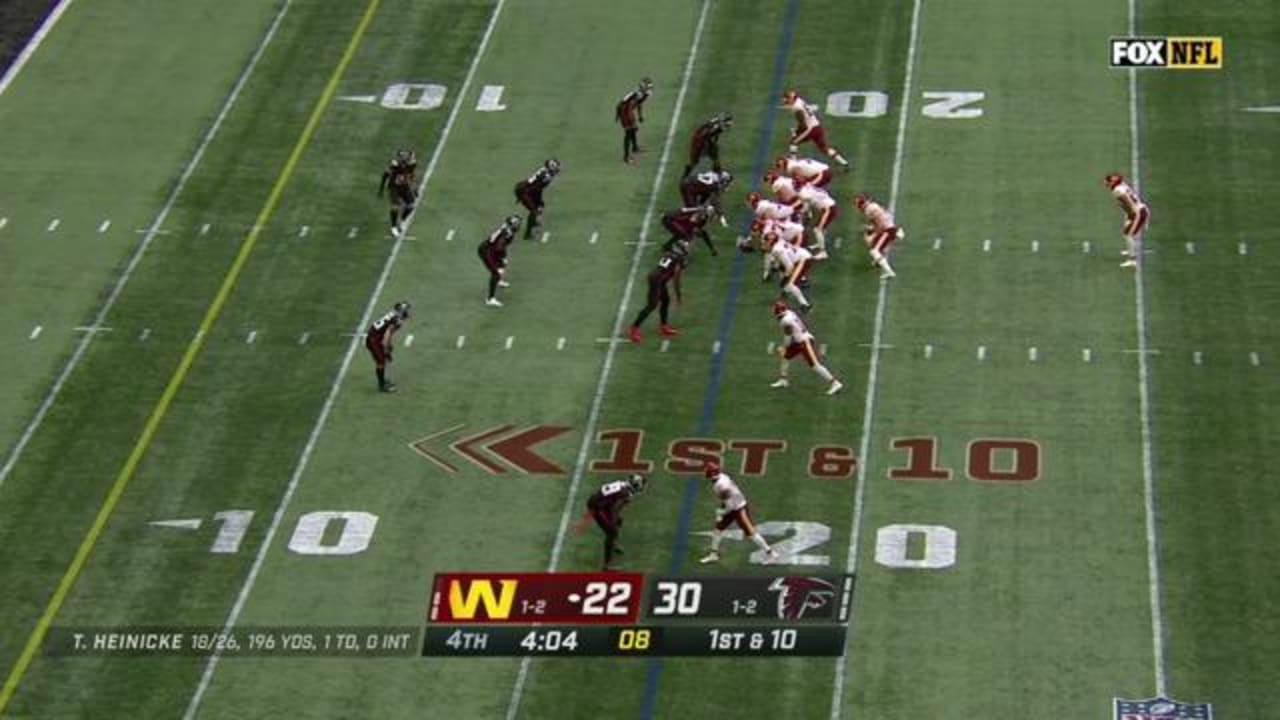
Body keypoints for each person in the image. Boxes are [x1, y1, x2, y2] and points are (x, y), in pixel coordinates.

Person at [699, 461, 779, 564]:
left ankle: (772, 554)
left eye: (708, 471)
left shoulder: (721, 485)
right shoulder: (722, 477)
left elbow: (730, 505)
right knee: (717, 530)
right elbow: (727, 500)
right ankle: (714, 554)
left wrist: (721, 512)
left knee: (751, 533)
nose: (705, 472)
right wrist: (722, 510)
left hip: (739, 509)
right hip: (733, 505)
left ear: (713, 473)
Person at [771, 299, 843, 395]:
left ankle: (835, 383)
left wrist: (784, 347)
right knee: (786, 357)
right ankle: (783, 380)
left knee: (815, 365)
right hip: (799, 340)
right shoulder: (789, 312)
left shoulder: (785, 320)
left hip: (805, 341)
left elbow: (788, 336)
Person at [578, 474, 647, 570]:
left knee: (617, 523)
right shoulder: (626, 493)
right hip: (597, 507)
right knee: (612, 532)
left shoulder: (622, 485)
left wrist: (616, 519)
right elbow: (615, 508)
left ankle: (613, 544)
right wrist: (613, 521)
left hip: (601, 502)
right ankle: (607, 565)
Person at [628, 243, 688, 344]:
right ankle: (634, 329)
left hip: (658, 279)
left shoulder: (670, 254)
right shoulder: (678, 260)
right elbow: (676, 281)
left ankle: (664, 326)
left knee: (665, 300)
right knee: (652, 305)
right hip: (657, 280)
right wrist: (679, 297)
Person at [781, 90, 849, 166]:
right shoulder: (799, 101)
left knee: (793, 142)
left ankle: (793, 163)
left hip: (810, 129)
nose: (785, 100)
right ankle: (844, 162)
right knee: (824, 148)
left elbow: (803, 124)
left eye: (787, 98)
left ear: (791, 99)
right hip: (817, 126)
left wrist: (796, 131)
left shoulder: (797, 108)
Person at [1105, 172, 1150, 268]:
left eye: (1108, 181)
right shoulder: (1121, 186)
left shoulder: (1118, 191)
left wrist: (1137, 221)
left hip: (1139, 213)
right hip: (1137, 212)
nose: (1106, 182)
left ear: (1113, 183)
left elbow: (1133, 207)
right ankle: (1131, 250)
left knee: (1129, 235)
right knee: (1126, 233)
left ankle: (1132, 260)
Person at [365, 301, 411, 393]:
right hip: (374, 340)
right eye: (405, 310)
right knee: (381, 362)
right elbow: (387, 334)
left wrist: (388, 346)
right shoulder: (397, 320)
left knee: (382, 360)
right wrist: (387, 349)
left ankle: (382, 381)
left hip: (374, 337)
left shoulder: (393, 314)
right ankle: (382, 386)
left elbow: (388, 332)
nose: (407, 312)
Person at [854, 192, 903, 279]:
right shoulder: (872, 206)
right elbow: (881, 219)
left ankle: (889, 272)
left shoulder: (868, 210)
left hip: (888, 230)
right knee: (873, 241)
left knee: (874, 251)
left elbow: (880, 226)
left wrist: (872, 233)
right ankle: (878, 261)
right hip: (889, 228)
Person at [477, 215, 522, 307]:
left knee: (502, 265)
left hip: (492, 249)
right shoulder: (507, 233)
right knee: (495, 273)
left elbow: (501, 246)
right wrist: (503, 257)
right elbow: (499, 247)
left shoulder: (506, 228)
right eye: (516, 224)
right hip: (487, 251)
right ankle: (490, 299)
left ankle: (499, 281)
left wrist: (503, 258)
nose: (518, 225)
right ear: (511, 225)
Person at [514, 159, 560, 239]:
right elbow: (537, 189)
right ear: (549, 167)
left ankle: (533, 223)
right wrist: (538, 202)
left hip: (525, 188)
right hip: (525, 191)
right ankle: (528, 235)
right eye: (554, 167)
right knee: (535, 211)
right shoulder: (547, 176)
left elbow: (537, 188)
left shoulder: (545, 171)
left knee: (539, 207)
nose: (556, 168)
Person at [378, 148, 417, 237]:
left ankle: (402, 221)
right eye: (403, 157)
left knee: (411, 206)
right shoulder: (395, 165)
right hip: (394, 187)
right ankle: (393, 227)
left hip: (404, 187)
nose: (406, 158)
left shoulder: (411, 164)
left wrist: (414, 189)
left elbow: (411, 176)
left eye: (407, 156)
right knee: (395, 207)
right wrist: (381, 189)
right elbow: (385, 174)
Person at [615, 78, 654, 163]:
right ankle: (626, 157)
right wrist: (618, 116)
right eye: (647, 87)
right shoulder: (634, 94)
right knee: (628, 133)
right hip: (625, 113)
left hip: (629, 112)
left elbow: (639, 104)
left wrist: (640, 116)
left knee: (633, 130)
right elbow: (620, 103)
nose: (649, 89)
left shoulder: (644, 95)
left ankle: (635, 148)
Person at [682, 112, 732, 176]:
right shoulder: (714, 128)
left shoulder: (715, 123)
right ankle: (687, 173)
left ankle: (717, 170)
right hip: (700, 141)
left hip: (704, 139)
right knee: (695, 160)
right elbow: (708, 134)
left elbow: (711, 131)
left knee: (714, 154)